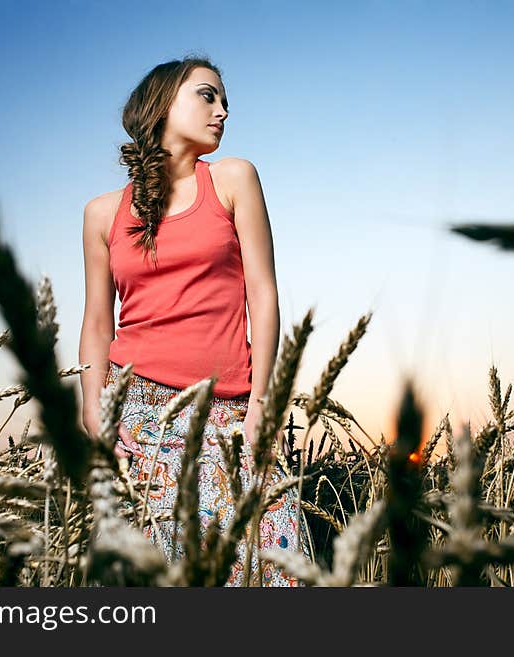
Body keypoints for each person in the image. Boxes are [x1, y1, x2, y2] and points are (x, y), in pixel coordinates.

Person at [78, 56, 313, 586]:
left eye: (226, 101)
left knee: (267, 569)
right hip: (139, 417)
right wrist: (94, 408)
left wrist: (263, 405)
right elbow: (97, 321)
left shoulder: (233, 179)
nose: (223, 111)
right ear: (161, 105)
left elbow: (264, 293)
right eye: (208, 95)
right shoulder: (100, 214)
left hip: (230, 413)